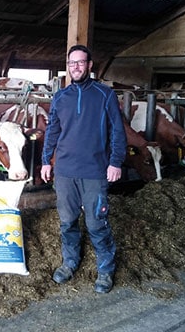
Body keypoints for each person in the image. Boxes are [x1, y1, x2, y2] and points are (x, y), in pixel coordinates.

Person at [40, 44, 127, 293]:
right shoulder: (60, 97)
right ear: (67, 67)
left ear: (90, 65)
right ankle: (69, 262)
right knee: (67, 222)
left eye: (80, 62)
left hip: (95, 171)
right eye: (71, 63)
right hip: (65, 171)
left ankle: (105, 270)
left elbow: (117, 131)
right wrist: (47, 160)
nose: (75, 67)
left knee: (96, 223)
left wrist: (115, 162)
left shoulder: (105, 95)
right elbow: (53, 131)